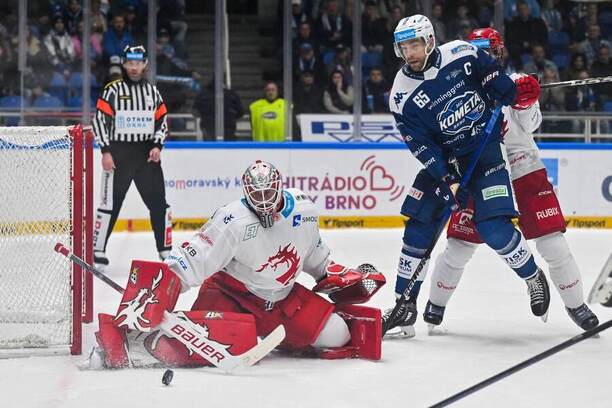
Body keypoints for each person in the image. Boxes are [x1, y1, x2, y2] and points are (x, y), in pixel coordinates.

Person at [88, 161, 386, 368]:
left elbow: (313, 255)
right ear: (246, 193)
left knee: (338, 334)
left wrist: (335, 274)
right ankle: (130, 343)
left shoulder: (304, 211)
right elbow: (195, 257)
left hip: (283, 299)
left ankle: (278, 337)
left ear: (280, 188)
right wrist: (162, 288)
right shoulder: (233, 220)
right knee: (202, 343)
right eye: (257, 196)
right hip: (233, 295)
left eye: (269, 193)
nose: (264, 201)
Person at [384, 15, 550, 338]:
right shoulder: (400, 96)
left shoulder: (462, 54)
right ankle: (405, 304)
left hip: (485, 151)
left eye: (415, 45)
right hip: (446, 163)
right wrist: (447, 178)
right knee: (418, 228)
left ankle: (532, 276)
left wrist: (514, 92)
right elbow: (421, 145)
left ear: (430, 41)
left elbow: (496, 81)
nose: (410, 53)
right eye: (404, 47)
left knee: (493, 228)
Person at [424, 28, 599, 334]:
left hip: (524, 170)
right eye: (480, 51)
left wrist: (527, 101)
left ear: (499, 52)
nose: (486, 57)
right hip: (480, 173)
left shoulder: (513, 81)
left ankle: (577, 306)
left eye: (491, 51)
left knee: (553, 244)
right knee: (459, 246)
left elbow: (531, 125)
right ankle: (435, 305)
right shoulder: (454, 90)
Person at [92, 45, 173, 268]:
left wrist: (157, 146)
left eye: (138, 63)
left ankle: (166, 251)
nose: (134, 67)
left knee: (159, 204)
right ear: (124, 64)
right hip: (118, 154)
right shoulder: (112, 90)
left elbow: (162, 122)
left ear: (145, 64)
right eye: (130, 63)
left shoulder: (152, 92)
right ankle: (97, 250)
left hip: (146, 155)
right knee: (110, 204)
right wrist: (106, 151)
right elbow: (99, 121)